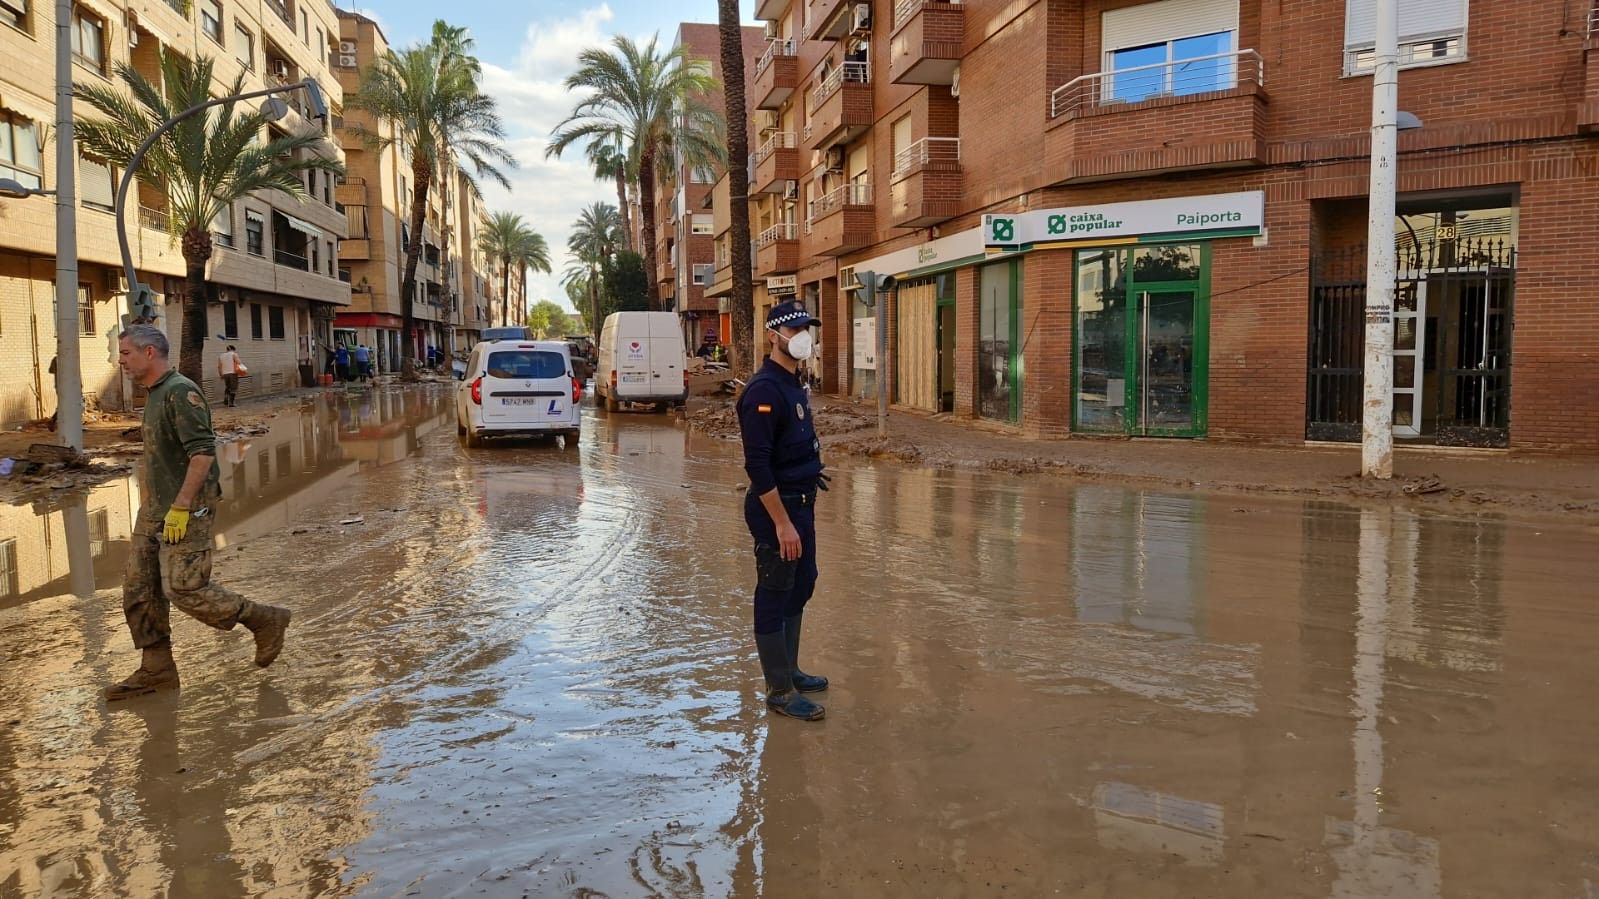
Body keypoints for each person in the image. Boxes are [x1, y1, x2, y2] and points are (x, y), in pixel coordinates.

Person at [106, 325, 292, 701]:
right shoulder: (155, 394)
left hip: (187, 507)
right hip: (156, 509)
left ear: (150, 354)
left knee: (183, 587)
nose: (120, 360)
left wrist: (181, 508)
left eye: (125, 353)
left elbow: (203, 453)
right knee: (138, 589)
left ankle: (263, 619)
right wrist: (153, 505)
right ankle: (156, 670)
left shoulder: (180, 392)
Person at [736, 301, 830, 722]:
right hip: (777, 510)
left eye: (806, 328)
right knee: (775, 590)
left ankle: (790, 670)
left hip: (802, 503)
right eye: (794, 329)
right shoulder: (763, 390)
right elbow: (757, 466)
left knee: (802, 582)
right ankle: (778, 690)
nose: (803, 336)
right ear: (773, 337)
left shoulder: (793, 383)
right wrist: (781, 524)